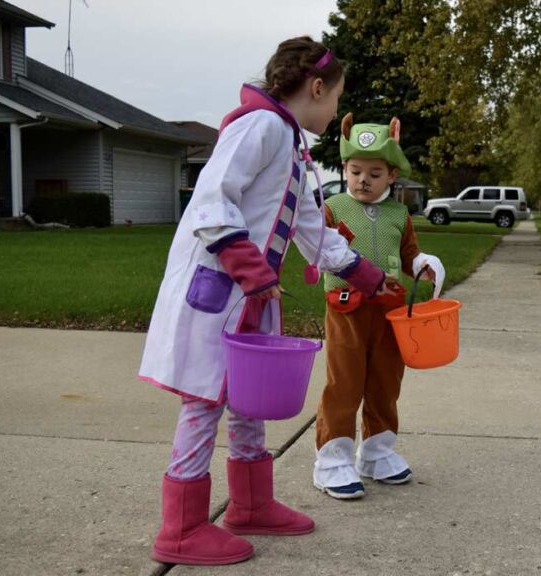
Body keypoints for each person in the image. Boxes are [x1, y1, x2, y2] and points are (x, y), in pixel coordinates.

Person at [138, 37, 386, 566]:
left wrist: (363, 273)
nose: (337, 109)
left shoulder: (290, 143)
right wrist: (250, 269)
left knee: (247, 400)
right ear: (316, 88)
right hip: (222, 291)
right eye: (336, 97)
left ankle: (250, 504)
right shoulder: (260, 126)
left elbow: (310, 226)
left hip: (250, 298)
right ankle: (180, 528)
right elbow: (212, 200)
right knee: (205, 402)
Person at [313, 113, 445, 500]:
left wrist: (422, 264)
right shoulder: (333, 208)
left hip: (389, 312)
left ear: (391, 175)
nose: (363, 180)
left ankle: (376, 450)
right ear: (344, 168)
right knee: (345, 382)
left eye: (374, 172)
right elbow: (318, 249)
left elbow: (409, 255)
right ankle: (331, 458)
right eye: (355, 171)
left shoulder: (399, 214)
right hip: (346, 309)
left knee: (386, 381)